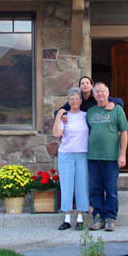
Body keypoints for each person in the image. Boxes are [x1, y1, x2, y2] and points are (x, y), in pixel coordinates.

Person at [86, 82, 128, 232]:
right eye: (97, 92)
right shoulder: (90, 111)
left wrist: (122, 154)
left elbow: (124, 132)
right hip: (93, 157)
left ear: (108, 93)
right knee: (95, 189)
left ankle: (111, 218)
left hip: (111, 157)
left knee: (110, 189)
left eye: (103, 91)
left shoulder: (117, 110)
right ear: (93, 94)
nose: (100, 94)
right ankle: (98, 217)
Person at [52, 87, 89, 230]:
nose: (74, 101)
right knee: (66, 185)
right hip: (66, 154)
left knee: (82, 185)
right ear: (68, 101)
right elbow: (56, 134)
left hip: (82, 153)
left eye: (76, 98)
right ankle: (67, 219)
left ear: (80, 101)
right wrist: (59, 115)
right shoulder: (64, 116)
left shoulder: (86, 115)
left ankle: (80, 218)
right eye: (71, 99)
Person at [54, 76, 123, 118]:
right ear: (80, 87)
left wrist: (113, 103)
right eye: (82, 83)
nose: (85, 85)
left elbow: (120, 101)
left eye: (87, 83)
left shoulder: (97, 97)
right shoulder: (77, 100)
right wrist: (64, 114)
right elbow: (58, 111)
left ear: (92, 86)